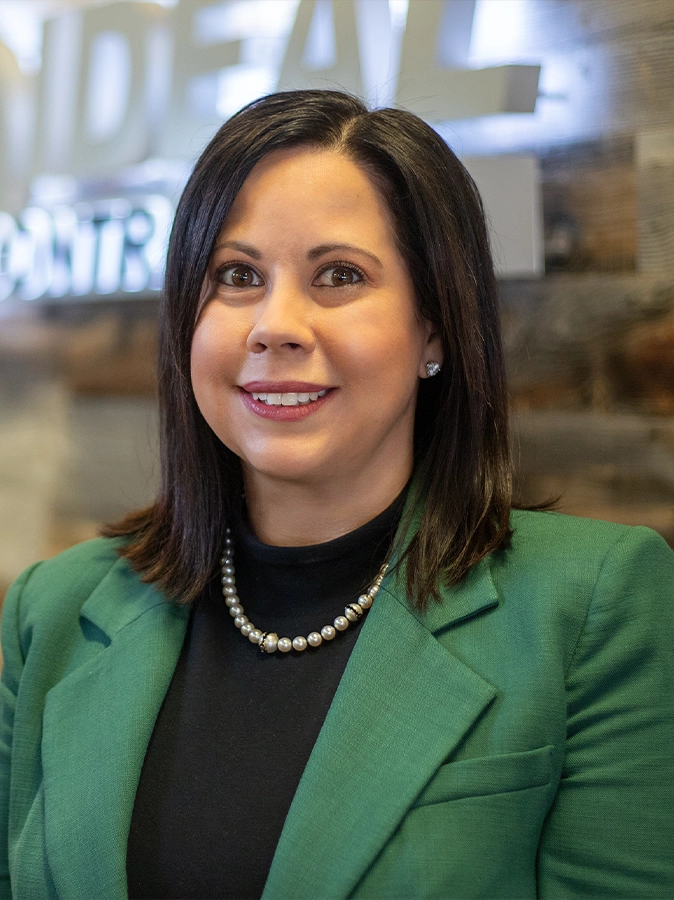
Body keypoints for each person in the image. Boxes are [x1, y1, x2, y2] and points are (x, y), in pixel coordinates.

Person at [1, 89, 673, 900]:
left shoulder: (596, 604)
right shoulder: (51, 611)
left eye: (340, 275)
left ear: (435, 328)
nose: (275, 325)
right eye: (237, 275)